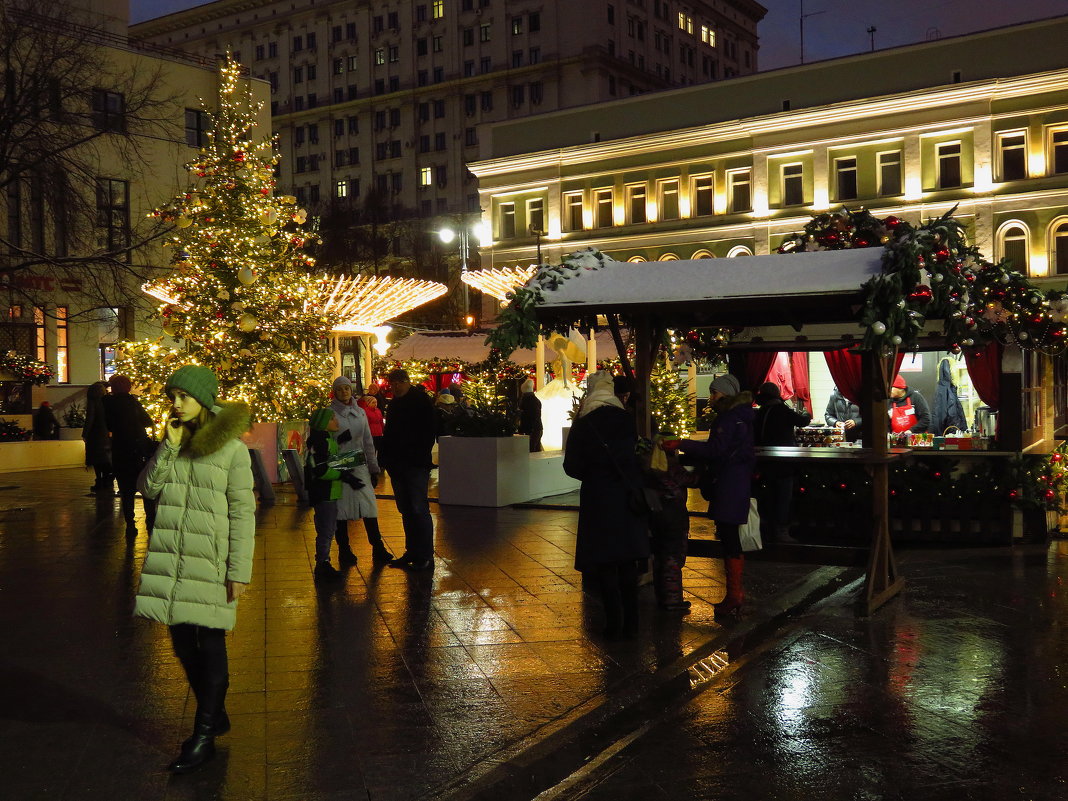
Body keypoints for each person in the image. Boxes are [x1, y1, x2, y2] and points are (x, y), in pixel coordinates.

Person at [134, 365, 254, 774]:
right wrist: (167, 447)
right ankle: (215, 712)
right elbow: (147, 488)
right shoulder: (175, 441)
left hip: (213, 563)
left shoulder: (232, 450)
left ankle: (203, 734)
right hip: (172, 559)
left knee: (210, 644)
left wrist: (239, 570)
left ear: (202, 399)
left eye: (182, 397)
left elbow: (243, 512)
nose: (175, 404)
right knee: (183, 644)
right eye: (173, 397)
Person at [563, 371, 651, 638]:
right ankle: (632, 624)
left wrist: (594, 475)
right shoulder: (625, 419)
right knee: (626, 562)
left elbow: (571, 466)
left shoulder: (584, 423)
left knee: (605, 563)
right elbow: (637, 457)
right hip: (626, 497)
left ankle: (613, 623)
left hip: (598, 499)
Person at [678, 374, 755, 616]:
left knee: (729, 537)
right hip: (737, 482)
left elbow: (715, 450)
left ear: (726, 394)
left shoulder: (729, 418)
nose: (710, 398)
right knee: (730, 537)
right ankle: (734, 593)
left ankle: (734, 594)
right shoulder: (743, 416)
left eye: (714, 393)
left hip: (728, 483)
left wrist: (682, 444)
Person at [331, 376, 392, 565]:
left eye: (347, 389)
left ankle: (378, 547)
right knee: (341, 511)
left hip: (359, 466)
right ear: (335, 392)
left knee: (369, 507)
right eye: (340, 389)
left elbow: (367, 442)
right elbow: (324, 442)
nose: (344, 392)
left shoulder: (360, 413)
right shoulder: (329, 413)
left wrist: (374, 468)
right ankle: (344, 549)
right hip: (339, 466)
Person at [380, 369, 437, 570]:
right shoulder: (395, 404)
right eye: (392, 384)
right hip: (398, 464)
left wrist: (417, 456)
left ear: (406, 382)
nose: (395, 387)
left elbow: (428, 433)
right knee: (407, 509)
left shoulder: (420, 401)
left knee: (418, 508)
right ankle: (413, 551)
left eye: (398, 383)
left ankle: (425, 554)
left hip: (413, 464)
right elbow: (389, 433)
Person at [753, 382, 811, 544]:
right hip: (783, 462)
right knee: (783, 497)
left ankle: (768, 529)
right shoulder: (781, 410)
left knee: (770, 496)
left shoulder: (760, 412)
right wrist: (807, 413)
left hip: (764, 461)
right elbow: (802, 421)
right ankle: (781, 530)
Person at [103, 374, 157, 537]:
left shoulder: (107, 403)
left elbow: (107, 424)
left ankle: (130, 526)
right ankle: (150, 524)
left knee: (127, 493)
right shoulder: (133, 401)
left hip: (121, 450)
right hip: (139, 451)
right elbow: (148, 421)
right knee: (147, 491)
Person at [305, 407, 348, 580]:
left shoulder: (325, 439)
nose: (336, 422)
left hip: (326, 491)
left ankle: (324, 562)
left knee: (327, 527)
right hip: (325, 491)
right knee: (326, 529)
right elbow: (321, 469)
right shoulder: (322, 441)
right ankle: (322, 564)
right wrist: (341, 472)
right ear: (323, 423)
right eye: (332, 419)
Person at [83, 381, 113, 496]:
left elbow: (89, 419)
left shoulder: (93, 402)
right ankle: (107, 479)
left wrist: (85, 433)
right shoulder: (107, 402)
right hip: (106, 433)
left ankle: (99, 480)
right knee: (106, 459)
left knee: (96, 460)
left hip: (95, 435)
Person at [517, 378, 543, 452]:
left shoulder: (528, 401)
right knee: (535, 450)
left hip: (532, 429)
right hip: (536, 428)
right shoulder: (534, 400)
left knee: (531, 450)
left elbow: (533, 416)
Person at [357, 392, 385, 458]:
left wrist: (383, 430)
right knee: (372, 450)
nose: (375, 404)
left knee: (380, 449)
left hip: (379, 433)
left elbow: (381, 421)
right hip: (371, 433)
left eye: (376, 402)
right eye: (373, 402)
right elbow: (366, 423)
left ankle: (379, 463)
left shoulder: (378, 410)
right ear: (368, 403)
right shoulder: (366, 411)